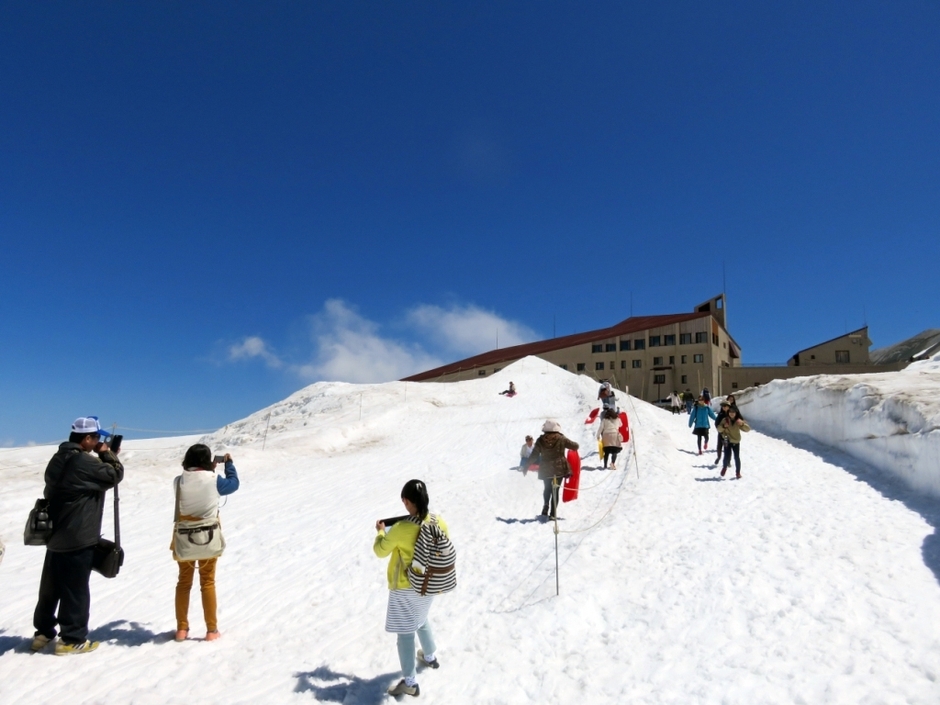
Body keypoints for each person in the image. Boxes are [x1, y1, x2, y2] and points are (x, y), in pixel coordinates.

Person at [31, 416, 124, 655]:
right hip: (78, 534)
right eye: (97, 438)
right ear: (87, 438)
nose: (99, 442)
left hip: (55, 533)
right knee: (76, 588)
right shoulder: (83, 462)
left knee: (50, 587)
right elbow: (114, 475)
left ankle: (43, 633)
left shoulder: (58, 458)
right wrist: (108, 454)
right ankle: (72, 639)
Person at [374, 480, 448, 698]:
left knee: (405, 633)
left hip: (406, 587)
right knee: (421, 618)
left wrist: (380, 532)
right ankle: (430, 656)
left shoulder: (401, 528)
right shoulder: (438, 521)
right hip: (431, 584)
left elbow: (380, 550)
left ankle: (410, 683)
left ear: (407, 502)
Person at [172, 444, 239, 642]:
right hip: (208, 537)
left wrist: (209, 471)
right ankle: (211, 630)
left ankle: (181, 629)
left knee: (183, 583)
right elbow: (233, 484)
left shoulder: (178, 481)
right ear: (208, 460)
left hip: (184, 539)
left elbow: (196, 482)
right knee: (207, 582)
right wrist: (229, 465)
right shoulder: (214, 480)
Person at [526, 419, 579, 518]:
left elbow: (534, 455)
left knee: (547, 488)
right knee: (556, 490)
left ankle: (546, 504)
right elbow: (575, 446)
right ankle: (553, 513)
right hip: (559, 468)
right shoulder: (561, 438)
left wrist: (527, 465)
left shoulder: (540, 440)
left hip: (546, 468)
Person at [718, 407, 751, 479]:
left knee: (736, 457)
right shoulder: (725, 420)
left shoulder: (738, 421)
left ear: (736, 413)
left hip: (736, 440)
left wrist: (742, 424)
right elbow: (719, 429)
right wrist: (724, 426)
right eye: (730, 412)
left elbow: (748, 429)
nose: (732, 414)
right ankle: (724, 467)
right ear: (728, 413)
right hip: (726, 439)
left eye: (733, 412)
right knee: (726, 455)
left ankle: (738, 472)